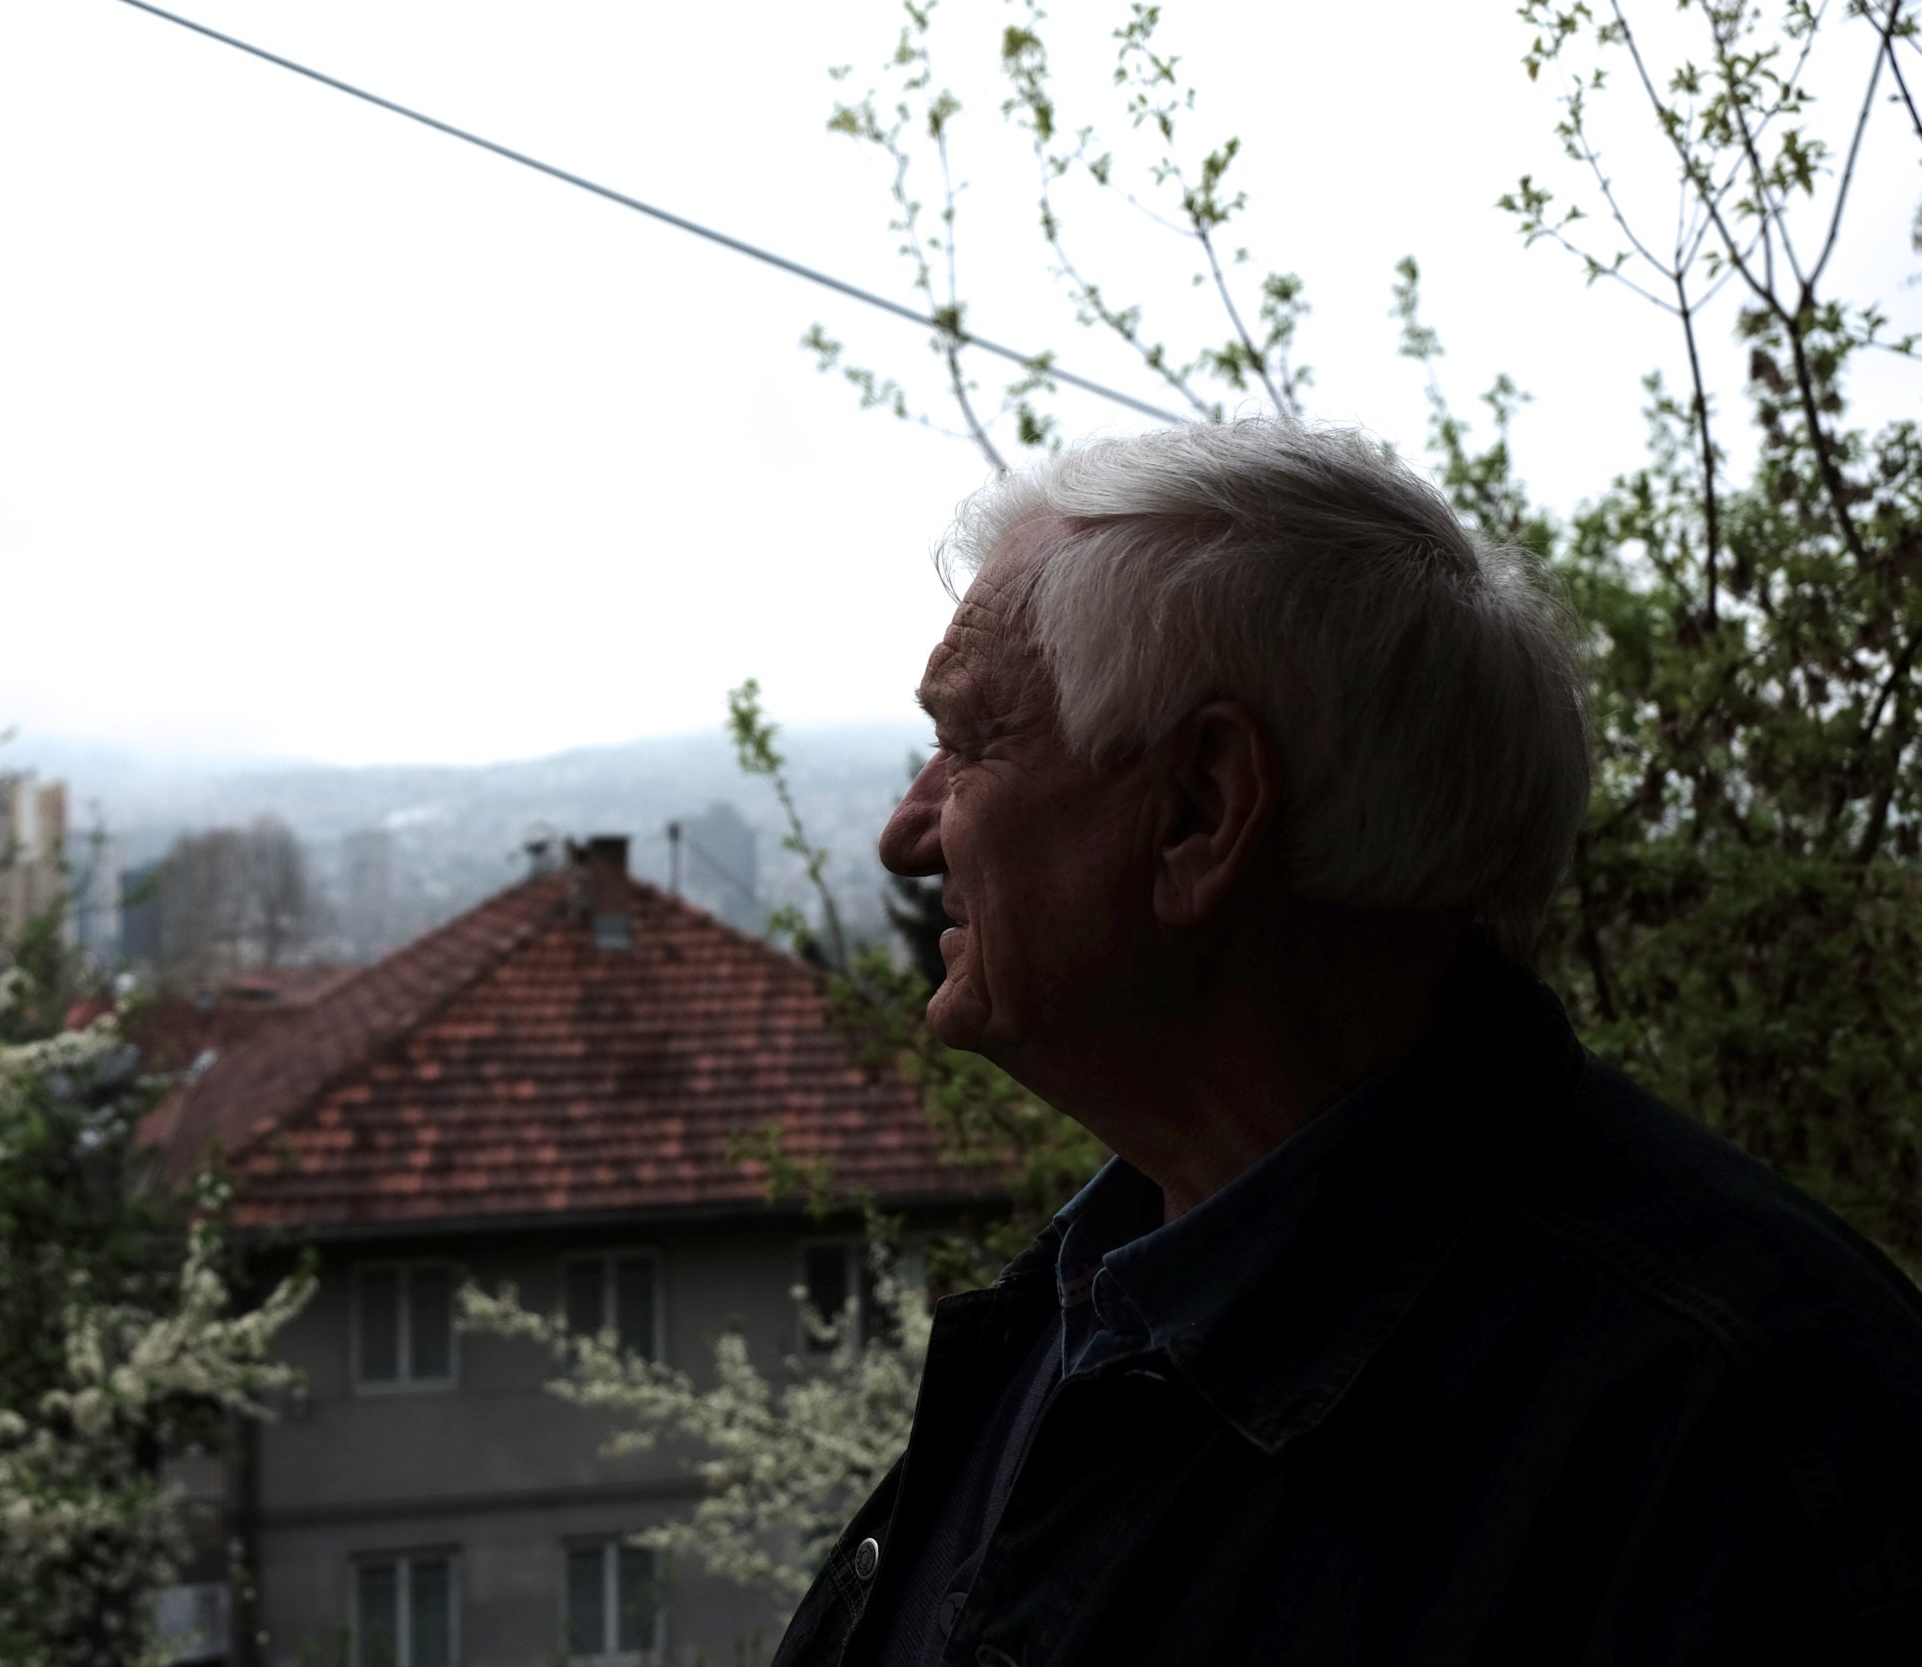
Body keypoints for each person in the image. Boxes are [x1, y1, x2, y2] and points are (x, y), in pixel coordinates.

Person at [769, 422, 1922, 1667]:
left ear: (1202, 809)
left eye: (973, 742)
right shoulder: (1087, 1311)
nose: (908, 829)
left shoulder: (1748, 1448)